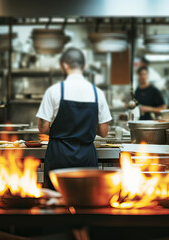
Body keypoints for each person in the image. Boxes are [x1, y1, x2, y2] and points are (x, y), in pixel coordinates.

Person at [36, 47, 112, 189]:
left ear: (64, 66)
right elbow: (103, 131)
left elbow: (43, 127)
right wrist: (84, 128)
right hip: (86, 158)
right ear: (84, 66)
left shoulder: (54, 91)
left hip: (59, 156)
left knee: (56, 201)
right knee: (86, 202)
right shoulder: (98, 93)